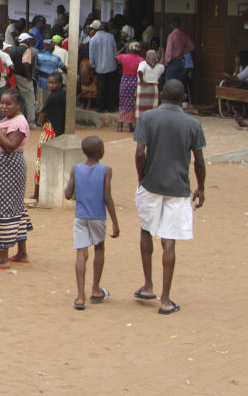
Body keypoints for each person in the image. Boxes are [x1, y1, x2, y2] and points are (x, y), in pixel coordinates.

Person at [132, 80, 206, 315]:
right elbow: (199, 160)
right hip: (179, 187)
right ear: (182, 97)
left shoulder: (148, 118)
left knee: (146, 230)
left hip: (151, 183)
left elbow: (140, 153)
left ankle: (148, 286)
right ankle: (165, 299)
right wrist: (201, 187)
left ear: (162, 95)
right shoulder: (192, 124)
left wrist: (141, 178)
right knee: (169, 239)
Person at [65, 136, 119, 310]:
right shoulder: (106, 170)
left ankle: (80, 297)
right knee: (99, 248)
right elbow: (107, 197)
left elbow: (67, 194)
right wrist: (115, 223)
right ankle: (95, 289)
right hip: (98, 216)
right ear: (102, 152)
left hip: (80, 216)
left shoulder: (76, 169)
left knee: (81, 253)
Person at [0, 89, 32, 268]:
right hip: (3, 167)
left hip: (8, 167)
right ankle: (21, 252)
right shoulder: (9, 119)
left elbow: (10, 146)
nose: (3, 106)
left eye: (8, 103)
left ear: (18, 105)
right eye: (2, 103)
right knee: (16, 207)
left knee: (5, 208)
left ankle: (3, 257)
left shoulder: (18, 122)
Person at [33, 72, 66, 200]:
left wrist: (41, 121)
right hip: (59, 132)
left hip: (50, 130)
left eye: (53, 83)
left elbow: (43, 114)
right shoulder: (64, 95)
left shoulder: (52, 97)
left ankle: (37, 193)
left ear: (59, 83)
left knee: (39, 161)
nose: (51, 85)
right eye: (49, 82)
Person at [88, 21, 118, 113]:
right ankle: (111, 107)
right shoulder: (111, 37)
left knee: (101, 88)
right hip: (112, 66)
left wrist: (92, 65)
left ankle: (101, 107)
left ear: (94, 29)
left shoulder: (93, 39)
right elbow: (115, 52)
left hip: (100, 67)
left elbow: (91, 55)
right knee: (111, 87)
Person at [115, 42, 145, 132]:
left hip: (125, 81)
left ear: (130, 49)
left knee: (123, 103)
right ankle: (129, 126)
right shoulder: (141, 59)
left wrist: (124, 47)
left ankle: (120, 126)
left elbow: (116, 56)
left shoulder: (124, 57)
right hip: (134, 81)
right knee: (132, 103)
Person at [163, 19, 194, 83]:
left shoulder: (171, 36)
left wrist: (166, 63)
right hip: (180, 62)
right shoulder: (183, 35)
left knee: (169, 84)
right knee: (179, 84)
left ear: (172, 25)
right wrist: (182, 51)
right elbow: (192, 46)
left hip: (172, 62)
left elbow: (169, 52)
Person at [136, 49, 164, 116]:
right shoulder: (160, 66)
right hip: (154, 88)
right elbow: (161, 63)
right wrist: (163, 53)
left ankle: (140, 124)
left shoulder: (142, 63)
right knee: (153, 107)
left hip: (143, 87)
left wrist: (142, 81)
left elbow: (140, 71)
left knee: (141, 108)